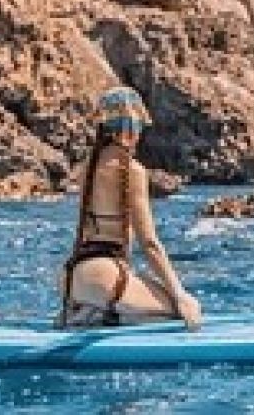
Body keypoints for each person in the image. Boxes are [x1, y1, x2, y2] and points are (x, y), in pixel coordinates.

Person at [57, 86, 203, 331]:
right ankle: (103, 313)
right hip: (106, 278)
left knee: (143, 288)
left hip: (72, 278)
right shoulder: (133, 170)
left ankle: (92, 311)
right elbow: (150, 244)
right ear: (130, 128)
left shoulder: (86, 168)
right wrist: (180, 295)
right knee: (177, 313)